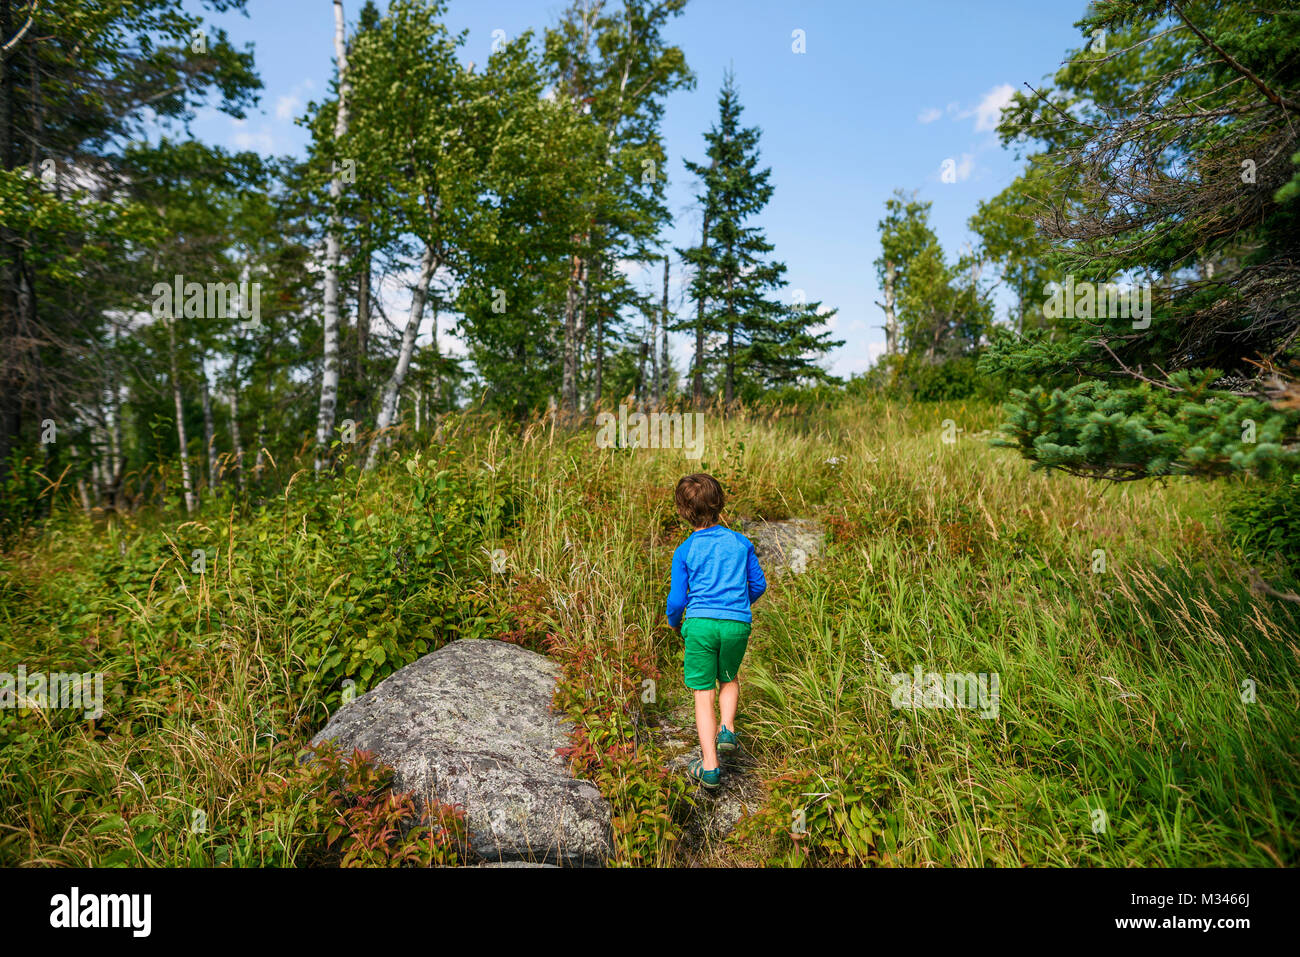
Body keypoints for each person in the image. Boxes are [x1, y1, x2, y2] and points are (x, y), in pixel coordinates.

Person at [665, 473, 767, 789]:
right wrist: (737, 605)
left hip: (700, 624)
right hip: (737, 624)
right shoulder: (741, 542)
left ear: (683, 511)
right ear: (721, 504)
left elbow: (678, 599)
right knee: (729, 678)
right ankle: (727, 728)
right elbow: (759, 584)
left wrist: (673, 621)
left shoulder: (684, 550)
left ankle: (709, 767)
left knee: (702, 692)